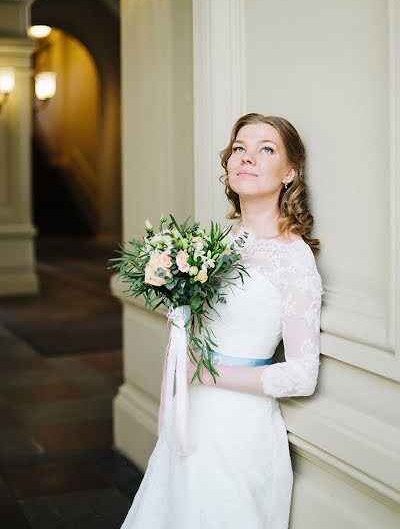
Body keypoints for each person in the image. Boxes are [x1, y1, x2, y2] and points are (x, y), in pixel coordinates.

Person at [120, 113, 324, 529]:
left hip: (237, 429)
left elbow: (302, 376)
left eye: (265, 149)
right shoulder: (219, 245)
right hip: (190, 415)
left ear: (289, 173)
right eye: (239, 149)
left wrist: (201, 374)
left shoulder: (293, 258)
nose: (246, 158)